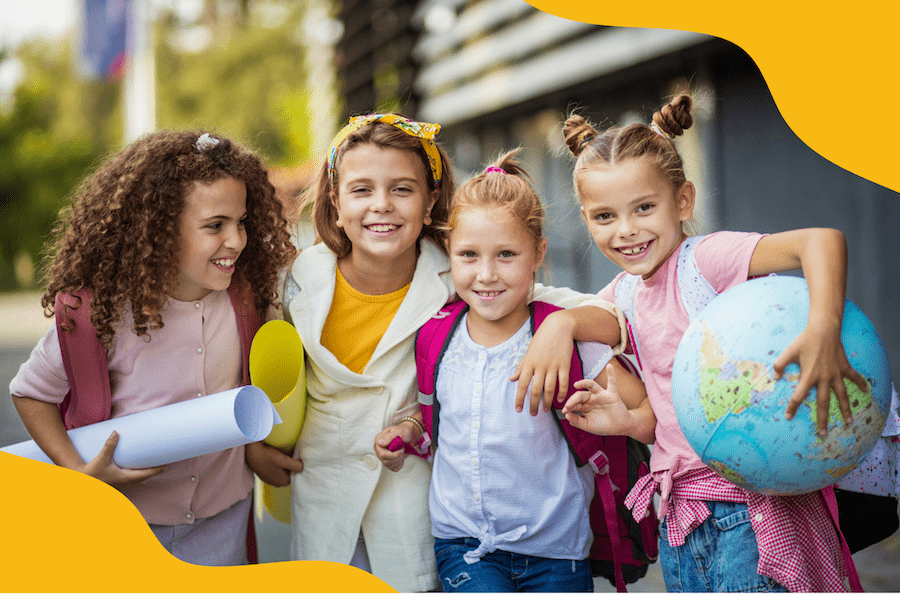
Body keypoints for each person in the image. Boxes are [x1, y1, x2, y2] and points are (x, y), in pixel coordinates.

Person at [258, 113, 623, 592]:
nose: (381, 206)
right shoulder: (299, 279)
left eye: (402, 189)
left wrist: (562, 323)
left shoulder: (465, 276)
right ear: (335, 199)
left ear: (432, 200)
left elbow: (609, 317)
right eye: (362, 190)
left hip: (411, 510)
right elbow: (265, 370)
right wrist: (254, 447)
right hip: (324, 504)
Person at [562, 94, 868, 592]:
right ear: (585, 218)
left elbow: (821, 240)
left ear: (683, 200)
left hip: (752, 509)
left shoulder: (703, 260)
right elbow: (660, 421)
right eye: (605, 217)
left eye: (644, 207)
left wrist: (823, 331)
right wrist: (627, 422)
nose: (627, 230)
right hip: (680, 516)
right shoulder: (619, 298)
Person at [9, 130, 298, 565]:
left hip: (225, 517)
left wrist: (256, 448)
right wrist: (78, 472)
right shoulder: (101, 314)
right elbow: (30, 392)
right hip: (127, 524)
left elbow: (253, 383)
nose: (236, 240)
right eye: (215, 225)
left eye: (241, 222)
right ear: (159, 230)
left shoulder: (248, 298)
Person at [374, 150, 655, 592]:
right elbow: (444, 425)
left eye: (506, 254)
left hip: (557, 555)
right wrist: (410, 431)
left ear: (538, 254)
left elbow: (647, 413)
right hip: (463, 545)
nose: (486, 274)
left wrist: (621, 419)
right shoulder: (434, 337)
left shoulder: (565, 334)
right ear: (449, 253)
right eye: (469, 255)